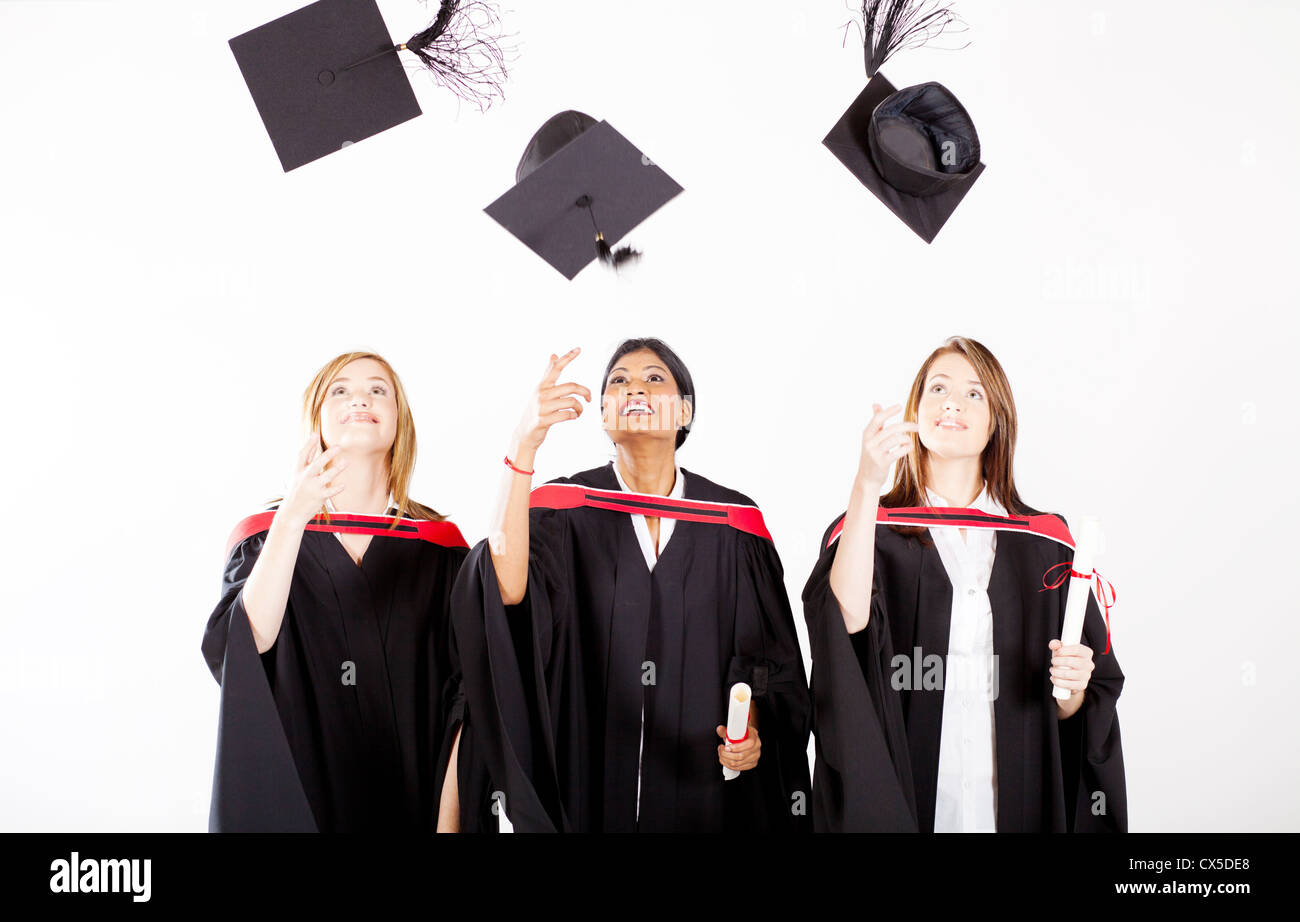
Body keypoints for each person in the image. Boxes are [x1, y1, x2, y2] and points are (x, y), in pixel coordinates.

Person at [452, 339, 812, 832]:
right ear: (603, 412)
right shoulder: (563, 509)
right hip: (589, 789)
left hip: (706, 798)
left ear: (685, 411)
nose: (634, 387)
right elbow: (505, 592)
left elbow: (772, 665)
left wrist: (754, 732)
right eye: (618, 381)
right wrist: (525, 443)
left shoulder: (734, 525)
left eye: (654, 378)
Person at [802, 336, 1126, 832]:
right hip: (908, 803)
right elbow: (844, 624)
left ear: (997, 420)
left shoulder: (1047, 545)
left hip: (1012, 809)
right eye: (938, 389)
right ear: (915, 409)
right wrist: (867, 482)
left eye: (975, 393)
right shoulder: (871, 527)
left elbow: (1075, 712)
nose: (953, 402)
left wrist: (1074, 689)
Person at [201, 352, 471, 832]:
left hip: (411, 808)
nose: (359, 398)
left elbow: (465, 703)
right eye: (340, 390)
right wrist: (294, 512)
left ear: (399, 422)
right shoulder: (266, 538)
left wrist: (448, 826)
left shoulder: (440, 551)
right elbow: (241, 650)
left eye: (378, 390)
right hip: (298, 807)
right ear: (317, 421)